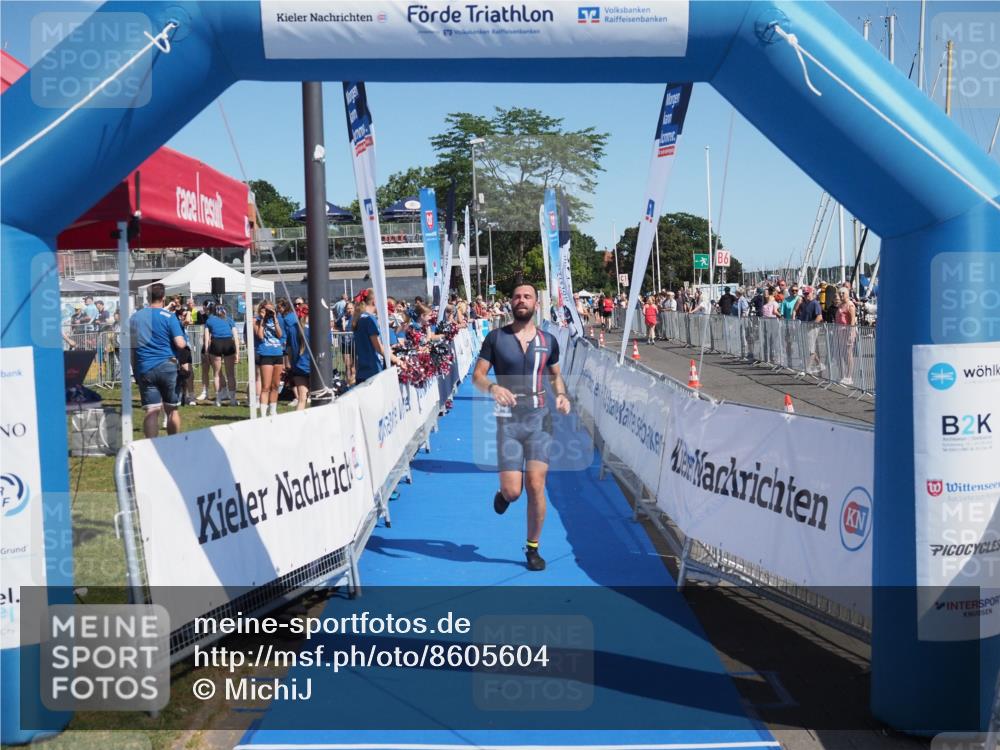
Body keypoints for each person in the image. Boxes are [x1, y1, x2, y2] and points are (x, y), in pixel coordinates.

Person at [473, 282, 571, 572]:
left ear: (535, 304)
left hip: (540, 419)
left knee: (536, 484)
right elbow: (477, 375)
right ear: (510, 304)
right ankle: (503, 495)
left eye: (527, 296)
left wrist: (562, 395)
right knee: (514, 491)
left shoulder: (548, 340)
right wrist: (492, 388)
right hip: (508, 421)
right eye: (517, 297)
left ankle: (532, 548)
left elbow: (555, 377)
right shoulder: (495, 338)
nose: (522, 300)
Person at [129, 282, 188, 438]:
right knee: (172, 409)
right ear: (163, 298)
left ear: (148, 297)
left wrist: (135, 371)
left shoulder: (135, 317)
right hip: (167, 366)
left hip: (145, 367)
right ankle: (174, 445)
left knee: (151, 410)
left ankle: (151, 448)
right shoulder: (169, 317)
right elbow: (180, 343)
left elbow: (132, 349)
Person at [352, 289, 403, 385]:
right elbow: (378, 347)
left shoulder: (360, 318)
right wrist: (397, 360)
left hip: (363, 370)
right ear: (375, 301)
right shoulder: (370, 319)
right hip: (373, 370)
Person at [204, 303, 240, 406]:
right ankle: (233, 400)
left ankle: (218, 400)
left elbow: (207, 339)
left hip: (216, 344)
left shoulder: (209, 320)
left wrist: (206, 352)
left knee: (216, 374)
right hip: (228, 343)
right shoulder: (229, 320)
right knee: (231, 374)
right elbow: (236, 337)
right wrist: (237, 352)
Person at [254, 300, 284, 417]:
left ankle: (272, 410)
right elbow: (260, 336)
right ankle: (263, 413)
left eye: (270, 309)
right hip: (266, 354)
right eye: (266, 309)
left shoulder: (276, 320)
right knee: (266, 386)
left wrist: (275, 318)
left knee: (275, 385)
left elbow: (280, 335)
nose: (268, 312)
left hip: (277, 353)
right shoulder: (257, 321)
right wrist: (263, 320)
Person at [795, 285, 825, 375]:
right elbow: (798, 313)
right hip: (805, 327)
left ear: (812, 293)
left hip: (812, 328)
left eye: (807, 293)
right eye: (804, 293)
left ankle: (807, 368)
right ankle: (820, 364)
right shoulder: (804, 303)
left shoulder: (815, 303)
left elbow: (819, 317)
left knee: (811, 349)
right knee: (809, 348)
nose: (806, 295)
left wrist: (811, 325)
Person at [835, 286, 857, 384]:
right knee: (841, 354)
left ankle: (849, 376)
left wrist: (850, 333)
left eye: (843, 293)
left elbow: (852, 321)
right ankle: (842, 375)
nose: (841, 295)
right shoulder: (840, 305)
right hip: (839, 331)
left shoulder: (850, 305)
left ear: (847, 294)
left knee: (848, 354)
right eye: (840, 293)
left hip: (847, 331)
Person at [288, 317, 311, 411]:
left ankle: (297, 424)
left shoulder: (292, 328)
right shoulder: (315, 327)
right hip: (313, 367)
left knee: (302, 398)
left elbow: (289, 351)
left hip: (298, 367)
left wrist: (292, 365)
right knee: (317, 397)